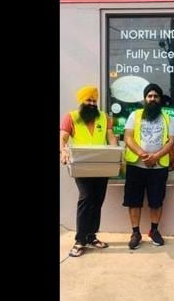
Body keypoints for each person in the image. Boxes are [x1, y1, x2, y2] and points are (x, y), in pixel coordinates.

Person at [60, 85, 119, 257]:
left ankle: (92, 236)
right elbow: (63, 137)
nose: (92, 103)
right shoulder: (71, 117)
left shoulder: (104, 117)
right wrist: (63, 151)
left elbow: (111, 136)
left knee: (98, 200)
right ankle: (80, 240)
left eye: (94, 100)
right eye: (89, 100)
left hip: (102, 166)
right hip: (82, 166)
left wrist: (116, 155)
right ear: (82, 101)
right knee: (86, 199)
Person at [123, 83, 174, 249]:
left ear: (160, 99)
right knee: (134, 201)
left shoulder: (168, 118)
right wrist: (143, 155)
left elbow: (171, 141)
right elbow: (128, 138)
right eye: (149, 96)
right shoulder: (135, 115)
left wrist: (156, 157)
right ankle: (135, 232)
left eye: (156, 96)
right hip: (136, 166)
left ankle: (154, 231)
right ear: (145, 99)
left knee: (156, 201)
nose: (152, 99)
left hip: (158, 167)